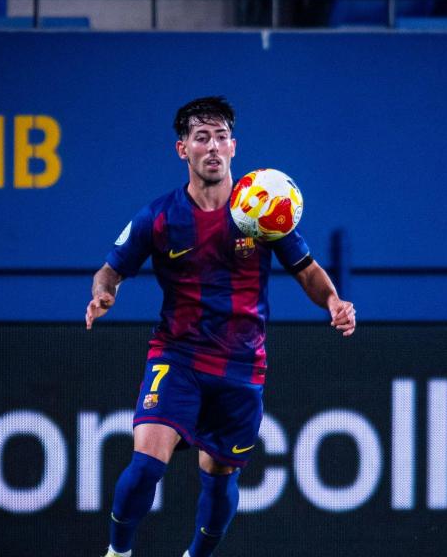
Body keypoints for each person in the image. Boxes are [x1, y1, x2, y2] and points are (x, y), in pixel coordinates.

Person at [86, 96, 356, 557]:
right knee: (147, 463)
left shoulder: (261, 209)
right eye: (201, 137)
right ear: (182, 149)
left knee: (220, 477)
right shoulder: (158, 217)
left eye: (221, 137)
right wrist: (104, 292)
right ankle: (118, 553)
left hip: (241, 366)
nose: (213, 146)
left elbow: (307, 269)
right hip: (178, 356)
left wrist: (333, 300)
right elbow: (111, 268)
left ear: (234, 146)